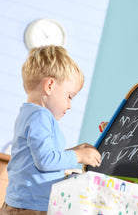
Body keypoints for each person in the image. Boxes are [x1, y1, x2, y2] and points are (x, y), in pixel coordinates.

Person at [0, 45, 101, 214]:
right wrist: (78, 156)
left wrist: (75, 150)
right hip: (29, 208)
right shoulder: (40, 116)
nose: (69, 106)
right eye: (69, 96)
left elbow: (40, 155)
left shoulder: (29, 113)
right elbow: (45, 160)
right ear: (50, 86)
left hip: (20, 205)